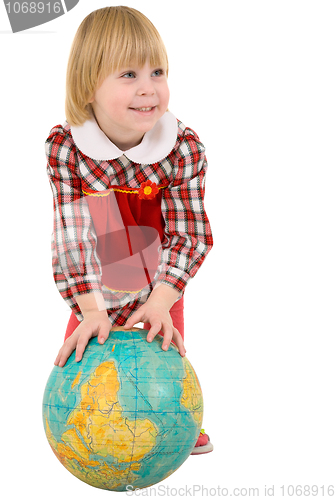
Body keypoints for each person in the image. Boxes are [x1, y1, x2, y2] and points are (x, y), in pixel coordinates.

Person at [45, 6, 213, 455]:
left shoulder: (182, 149)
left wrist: (161, 300)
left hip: (160, 272)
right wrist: (91, 310)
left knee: (164, 347)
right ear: (88, 86)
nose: (148, 88)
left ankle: (176, 419)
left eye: (157, 71)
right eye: (128, 74)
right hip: (98, 280)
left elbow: (189, 233)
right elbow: (72, 238)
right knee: (83, 363)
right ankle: (70, 424)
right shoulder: (67, 149)